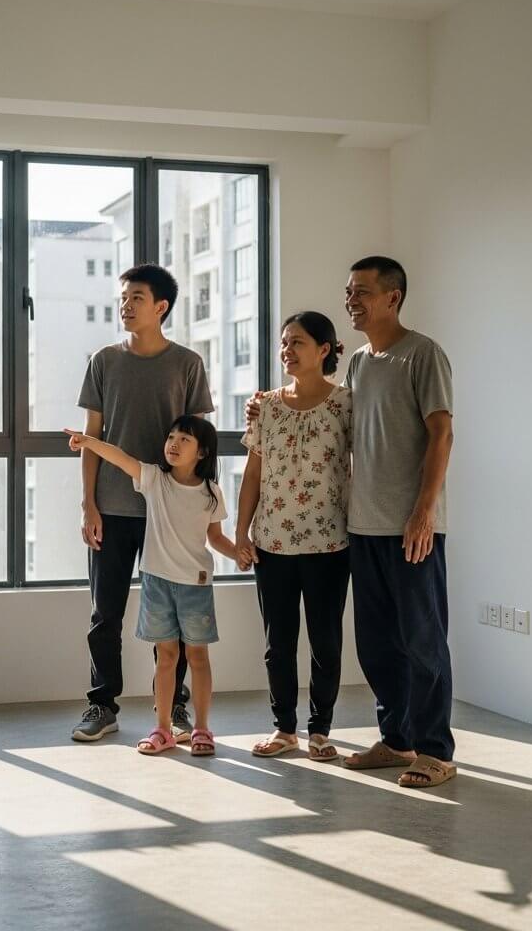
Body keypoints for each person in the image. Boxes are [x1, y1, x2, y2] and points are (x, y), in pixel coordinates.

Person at [245, 257, 457, 789]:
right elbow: (325, 416)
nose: (351, 300)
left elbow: (442, 434)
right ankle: (396, 739)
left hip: (412, 526)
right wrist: (261, 407)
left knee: (423, 640)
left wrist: (424, 510)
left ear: (394, 297)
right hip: (362, 527)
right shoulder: (360, 362)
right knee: (378, 643)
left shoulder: (422, 354)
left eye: (361, 291)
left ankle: (435, 751)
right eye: (347, 291)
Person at [72, 265, 213, 743]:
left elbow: (197, 440)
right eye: (123, 297)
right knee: (104, 613)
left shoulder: (187, 364)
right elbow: (92, 439)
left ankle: (172, 708)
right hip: (111, 508)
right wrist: (88, 505)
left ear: (161, 307)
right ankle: (101, 704)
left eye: (136, 297)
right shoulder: (104, 361)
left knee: (169, 619)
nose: (125, 305)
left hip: (168, 513)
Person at [66, 416, 238, 756]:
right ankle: (162, 730)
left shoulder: (211, 493)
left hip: (196, 586)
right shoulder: (155, 479)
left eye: (184, 439)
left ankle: (202, 729)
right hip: (157, 585)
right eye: (170, 436)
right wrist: (89, 442)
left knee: (198, 657)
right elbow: (119, 457)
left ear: (202, 452)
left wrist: (240, 553)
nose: (173, 443)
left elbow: (215, 538)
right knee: (166, 658)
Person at [236, 312, 352, 762]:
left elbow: (361, 467)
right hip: (273, 542)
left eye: (297, 342)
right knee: (277, 643)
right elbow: (254, 471)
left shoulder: (347, 404)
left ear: (324, 350)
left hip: (330, 543)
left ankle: (320, 731)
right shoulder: (265, 405)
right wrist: (242, 529)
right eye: (284, 343)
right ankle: (284, 728)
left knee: (326, 641)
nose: (287, 350)